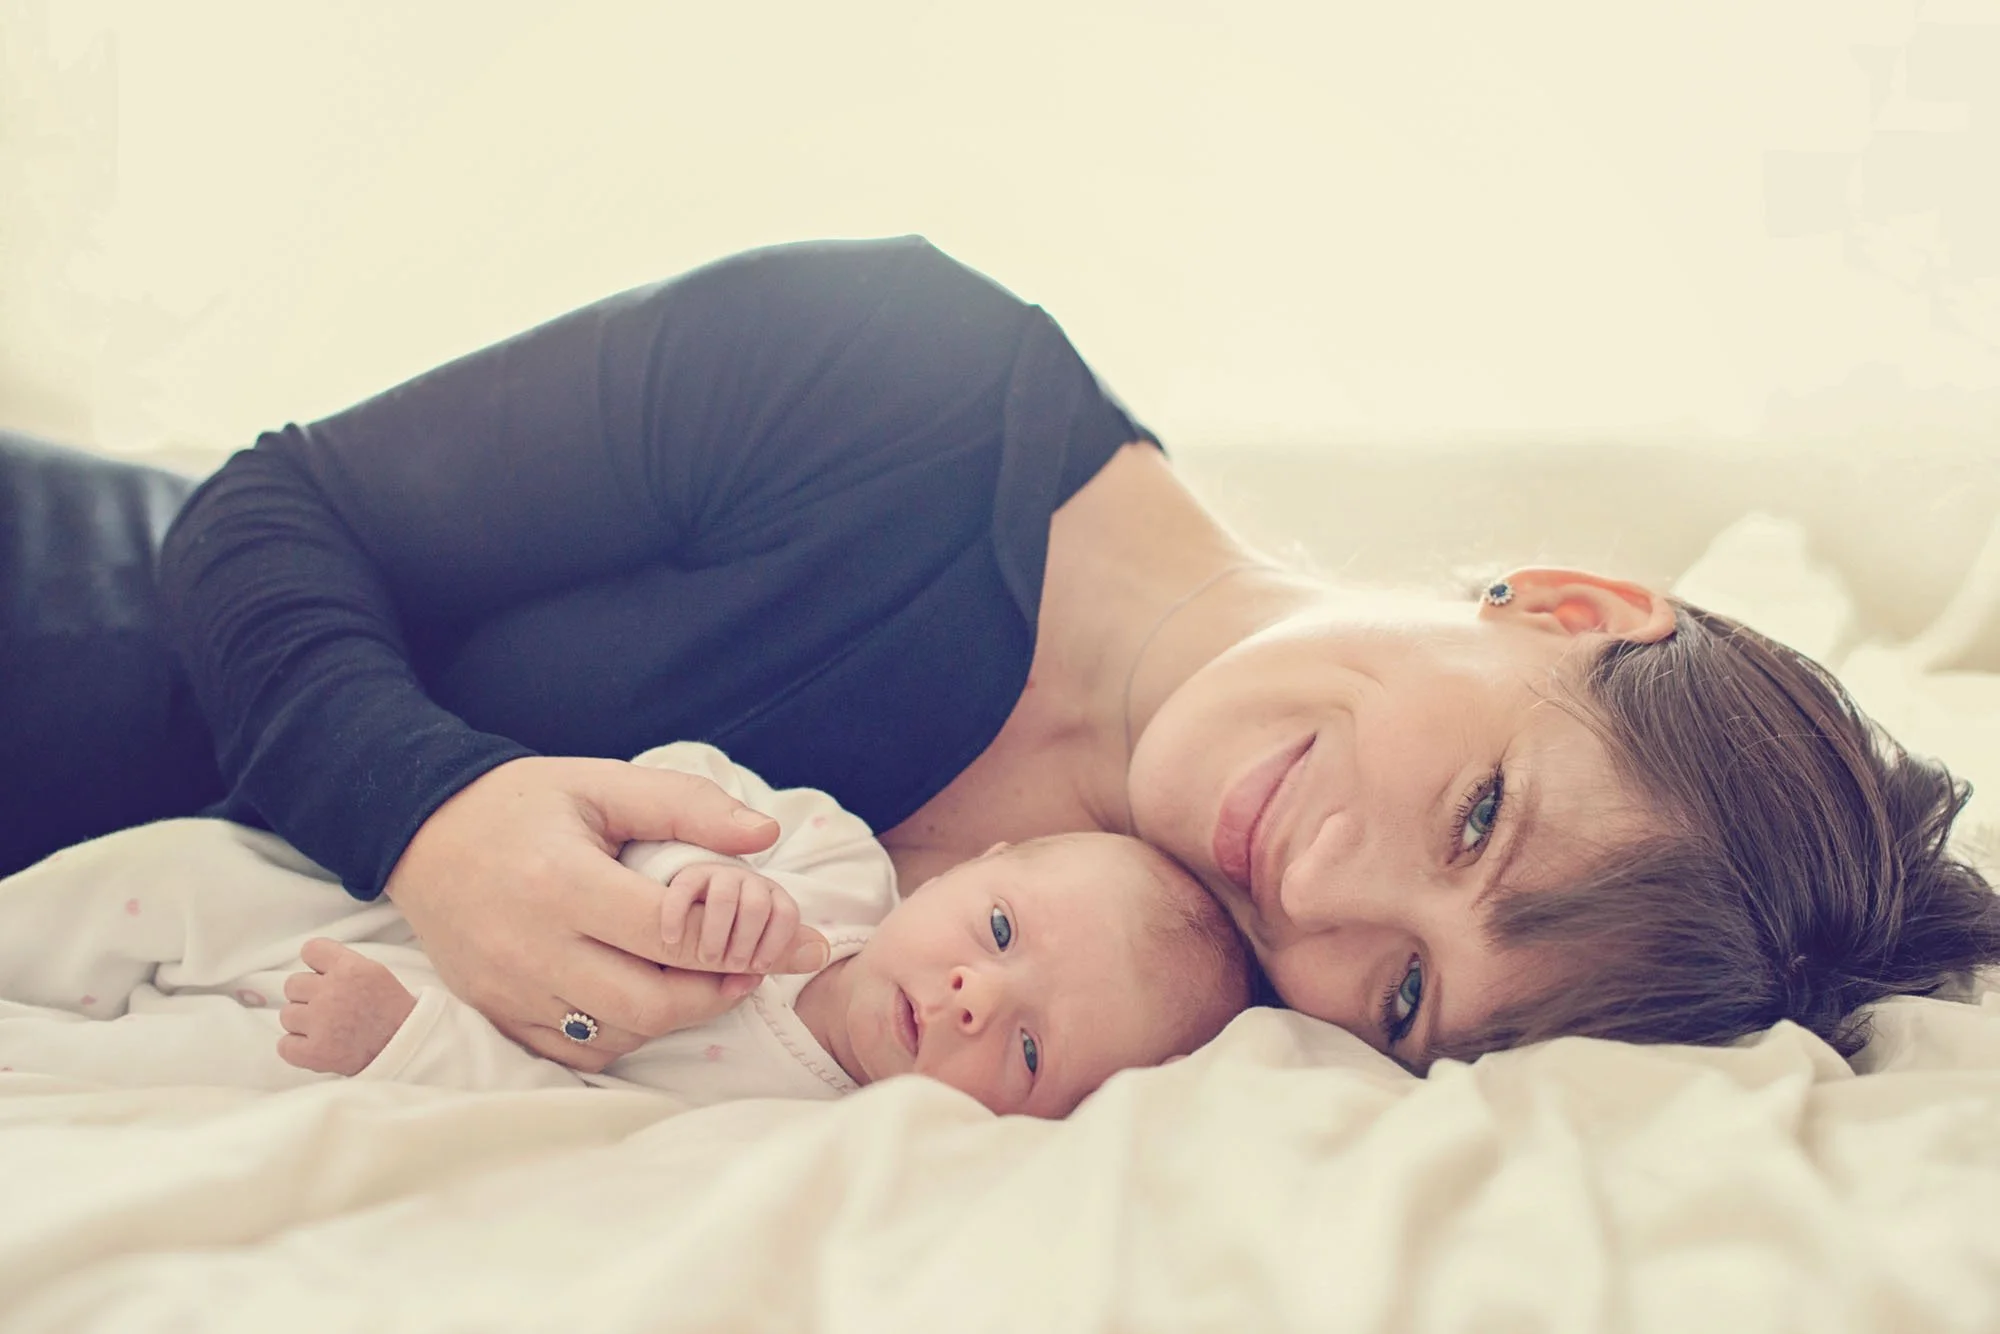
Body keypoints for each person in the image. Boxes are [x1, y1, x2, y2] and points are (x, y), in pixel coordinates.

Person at [2, 236, 1995, 1076]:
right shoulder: (919, 378)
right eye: (1474, 813)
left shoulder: (1151, 1027)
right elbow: (261, 515)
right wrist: (426, 814)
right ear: (1566, 603)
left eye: (1399, 999)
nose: (1317, 894)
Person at [0, 742, 1251, 1119]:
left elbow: (568, 1102)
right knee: (158, 885)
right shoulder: (819, 855)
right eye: (996, 927)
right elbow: (661, 774)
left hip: (367, 1016)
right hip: (360, 901)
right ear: (970, 866)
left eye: (1027, 1048)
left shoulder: (793, 1115)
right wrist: (682, 871)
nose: (977, 994)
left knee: (146, 1074)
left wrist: (409, 1039)